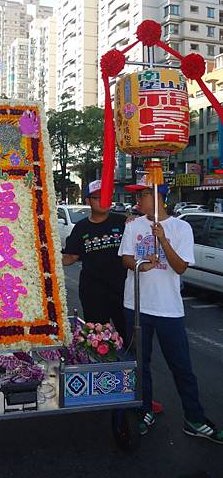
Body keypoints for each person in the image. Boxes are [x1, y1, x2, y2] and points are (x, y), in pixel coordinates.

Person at [119, 176, 223, 443]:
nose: (137, 200)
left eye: (142, 195)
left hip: (169, 309)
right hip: (137, 305)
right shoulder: (133, 225)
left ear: (157, 197)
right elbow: (127, 259)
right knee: (141, 364)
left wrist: (163, 240)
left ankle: (194, 418)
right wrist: (142, 265)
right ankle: (143, 412)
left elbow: (180, 267)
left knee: (182, 366)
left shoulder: (181, 228)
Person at [62, 179, 127, 340]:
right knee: (97, 340)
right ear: (87, 201)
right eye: (97, 198)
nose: (103, 202)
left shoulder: (124, 222)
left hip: (123, 291)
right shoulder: (81, 228)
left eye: (106, 197)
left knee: (129, 338)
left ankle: (133, 366)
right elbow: (70, 257)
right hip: (93, 293)